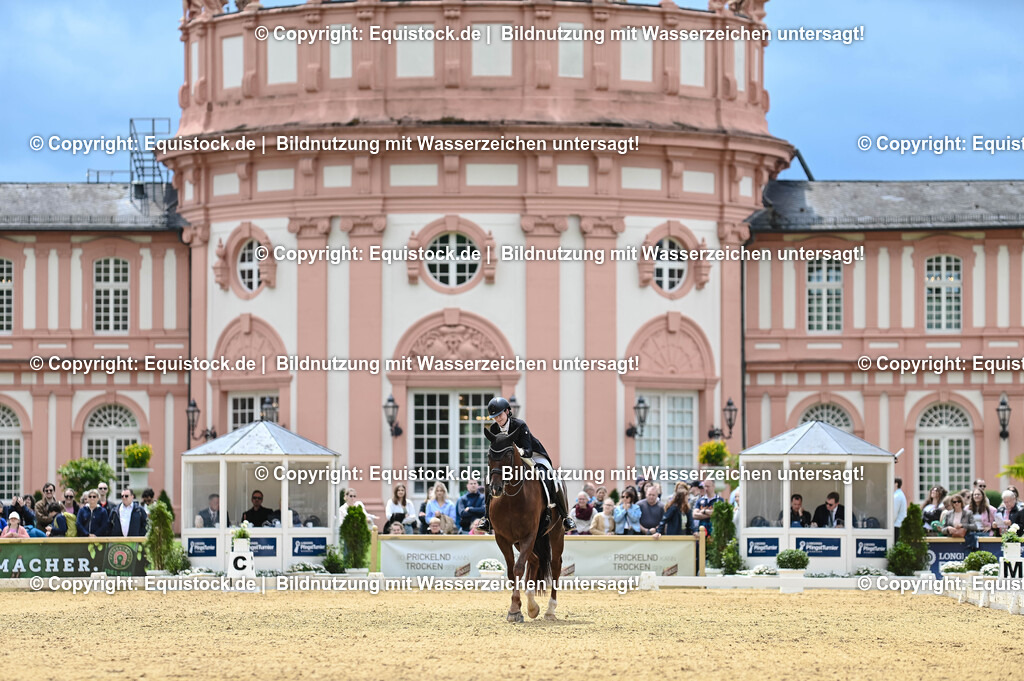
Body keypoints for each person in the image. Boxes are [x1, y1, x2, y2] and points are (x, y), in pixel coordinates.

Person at [479, 396, 575, 532]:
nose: (498, 419)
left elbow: (528, 450)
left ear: (507, 411)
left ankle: (565, 517)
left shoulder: (519, 425)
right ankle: (487, 518)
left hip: (533, 455)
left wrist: (518, 452)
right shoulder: (494, 428)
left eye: (499, 415)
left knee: (550, 476)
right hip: (509, 460)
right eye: (495, 417)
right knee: (489, 479)